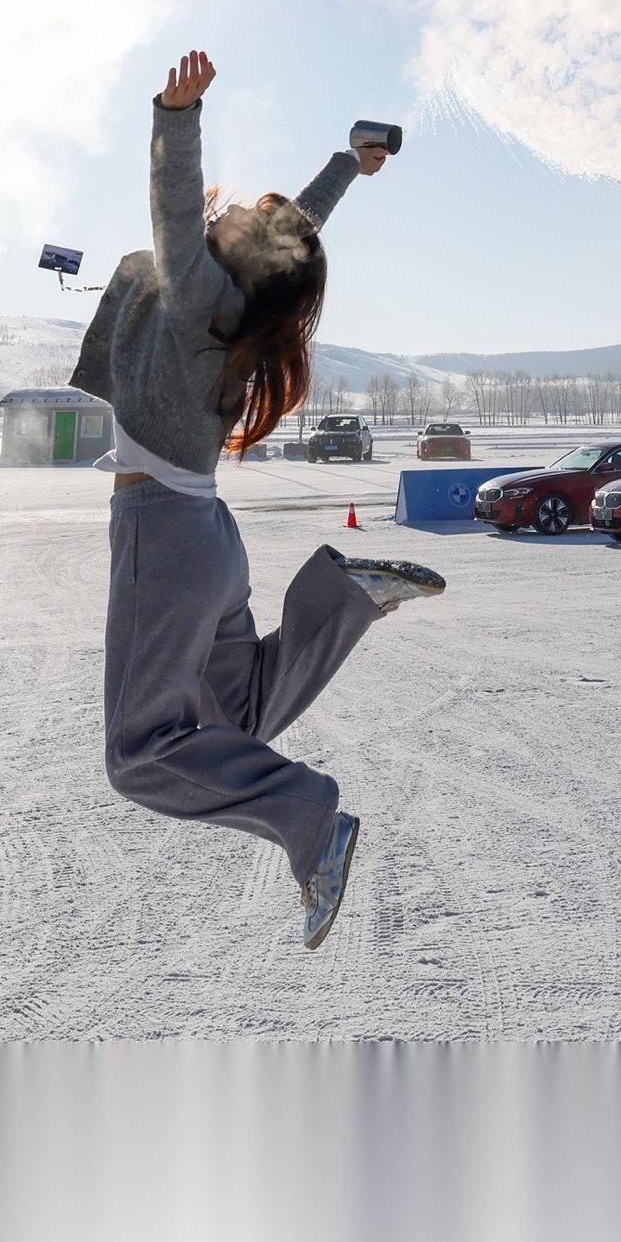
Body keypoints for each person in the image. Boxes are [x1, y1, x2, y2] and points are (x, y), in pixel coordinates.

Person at [70, 49, 444, 948]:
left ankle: (308, 818)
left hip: (162, 532)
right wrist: (347, 163)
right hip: (207, 536)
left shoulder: (200, 295)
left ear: (238, 254)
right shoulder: (237, 308)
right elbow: (296, 229)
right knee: (234, 721)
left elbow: (174, 205)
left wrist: (176, 114)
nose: (234, 208)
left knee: (140, 753)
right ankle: (345, 601)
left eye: (245, 215)